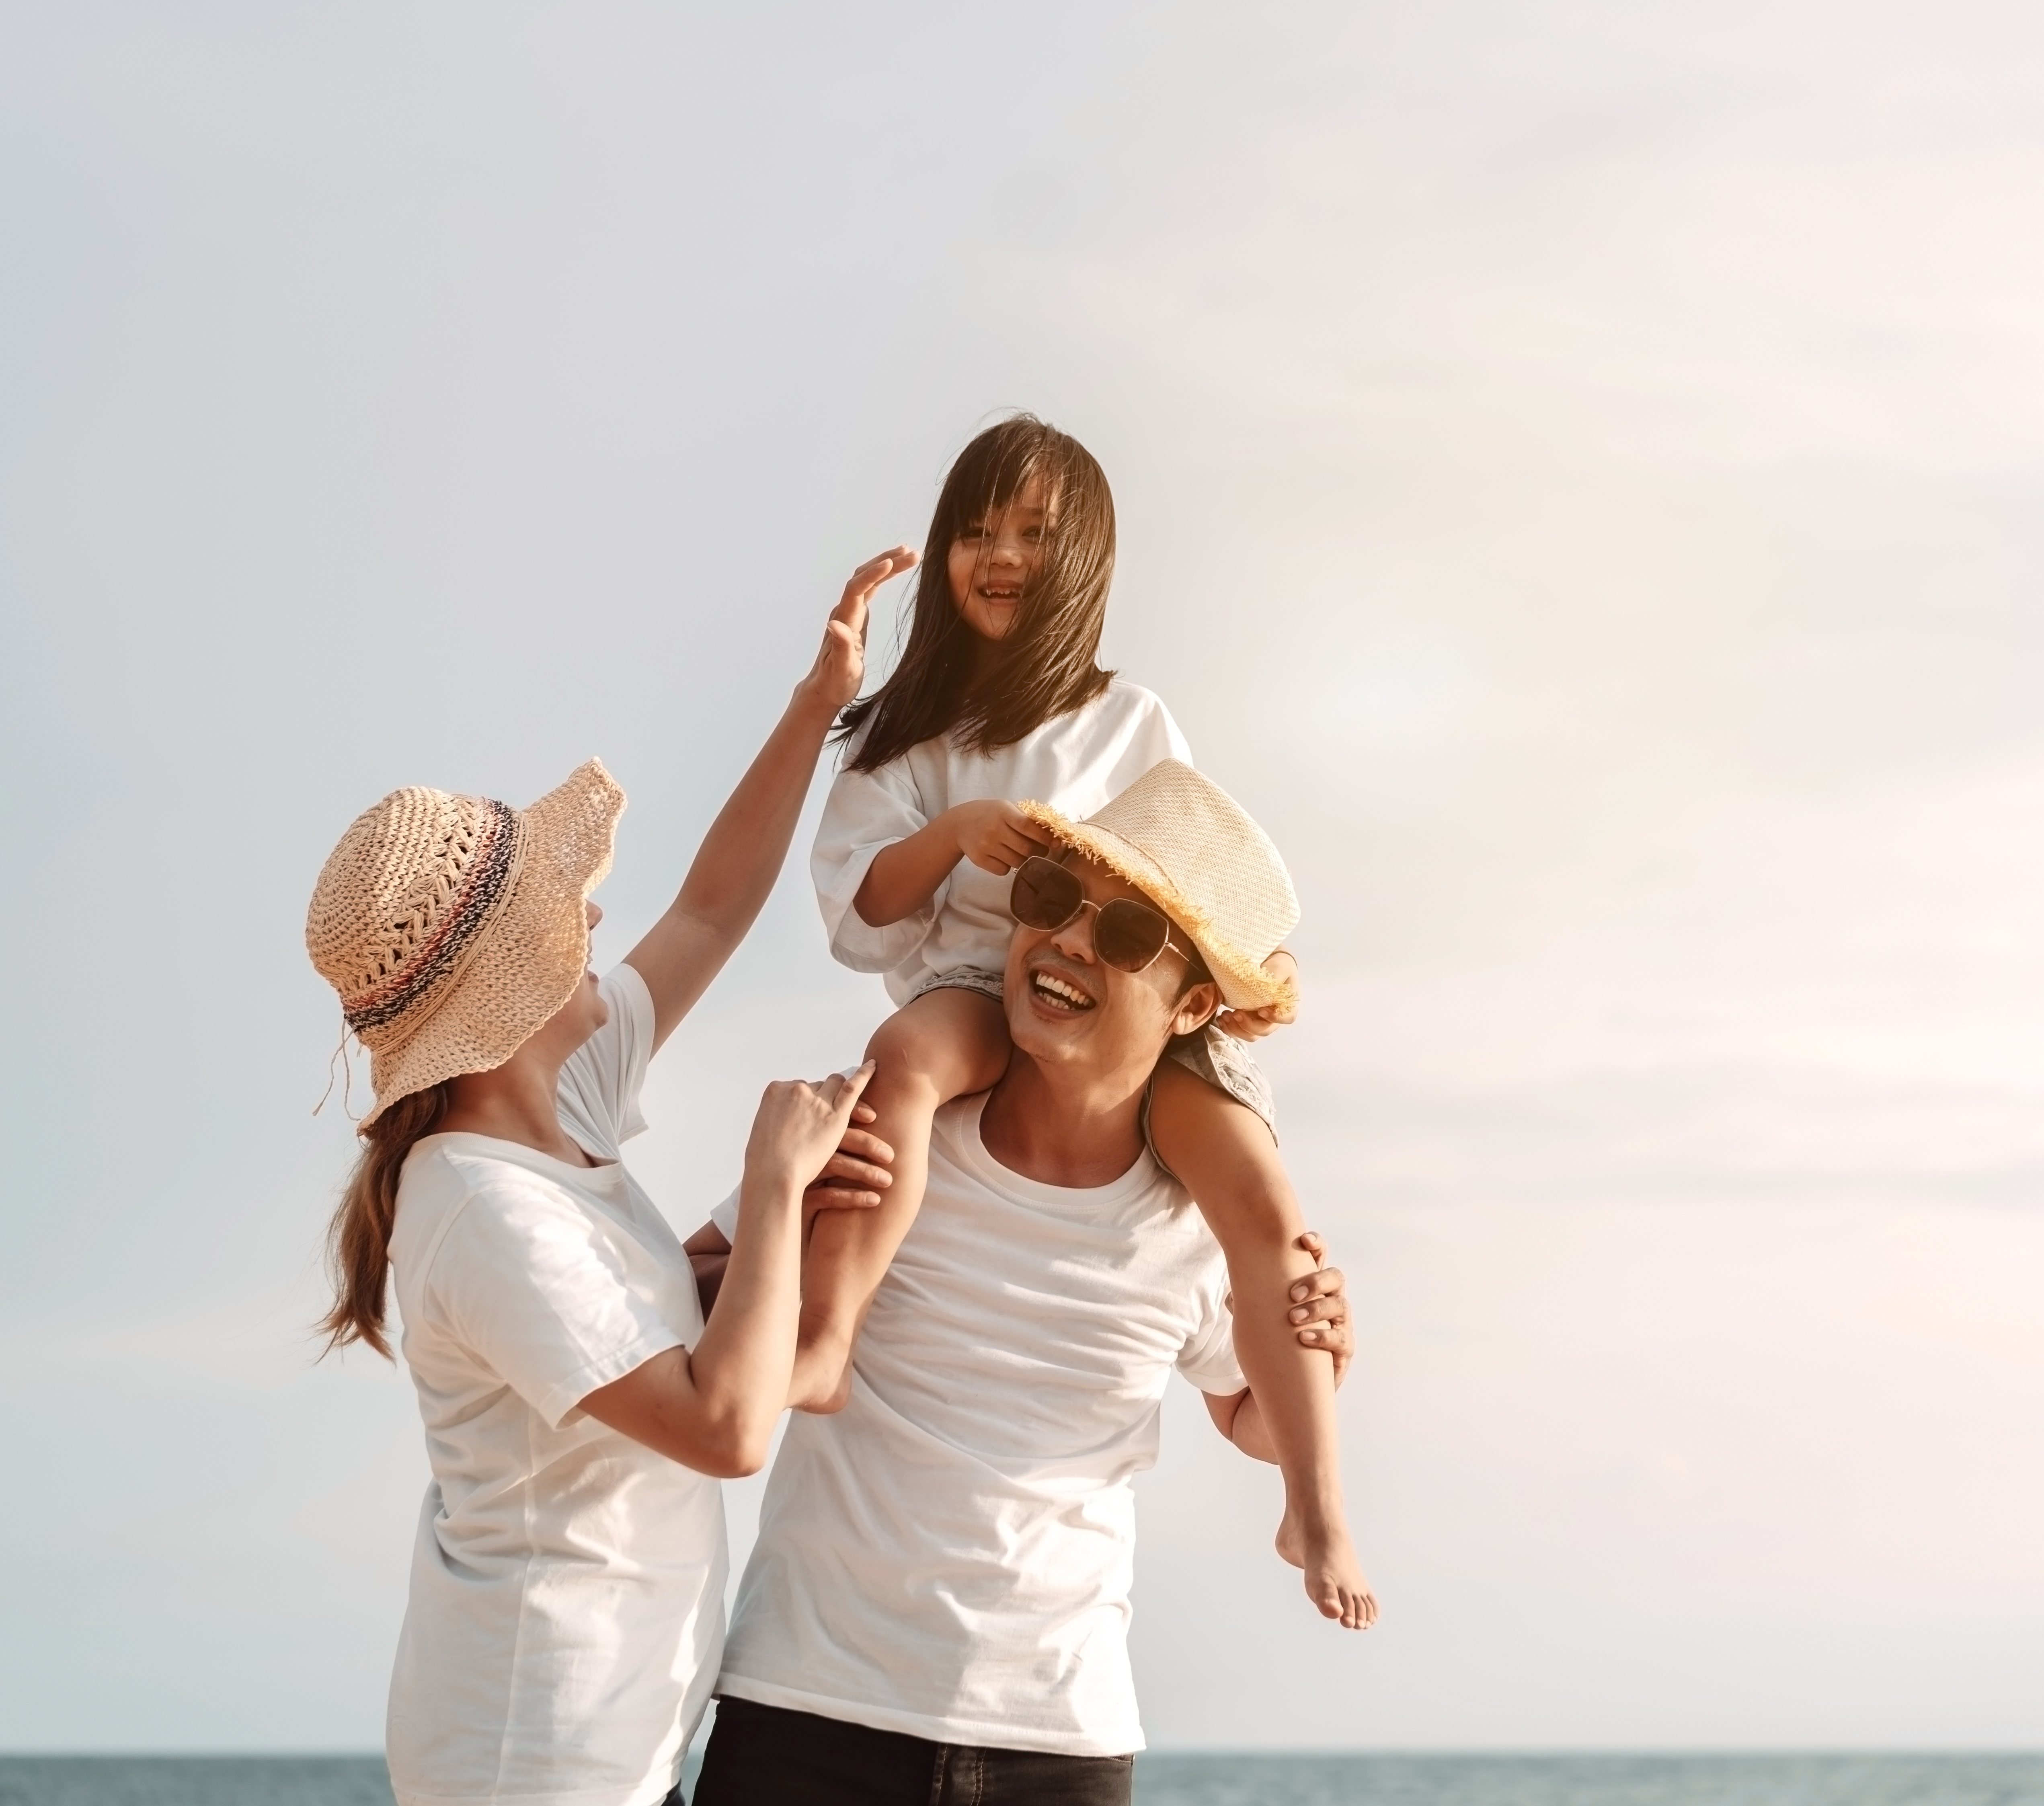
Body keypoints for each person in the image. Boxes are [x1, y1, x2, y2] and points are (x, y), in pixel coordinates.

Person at [305, 578, 901, 1806]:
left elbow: (713, 904)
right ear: (512, 982)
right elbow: (727, 1428)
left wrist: (816, 703)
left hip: (604, 1755)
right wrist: (772, 1183)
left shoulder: (559, 1098)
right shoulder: (475, 1204)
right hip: (533, 1766)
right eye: (558, 909)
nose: (594, 909)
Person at [779, 414, 1374, 1628]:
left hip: (1138, 1012)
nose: (999, 555)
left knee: (1262, 1201)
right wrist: (953, 836)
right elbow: (861, 911)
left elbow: (1184, 880)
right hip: (974, 980)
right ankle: (827, 1332)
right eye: (977, 530)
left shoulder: (1128, 721)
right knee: (901, 1060)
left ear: (1084, 560)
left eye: (1034, 534)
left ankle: (1317, 1501)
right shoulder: (904, 736)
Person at [685, 761, 1359, 1806]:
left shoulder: (1188, 1221)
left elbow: (1246, 1414)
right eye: (1050, 899)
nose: (1071, 941)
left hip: (1058, 1741)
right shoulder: (885, 1139)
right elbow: (695, 1284)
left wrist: (1325, 1364)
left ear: (1189, 1012)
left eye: (1129, 938)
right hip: (809, 1707)